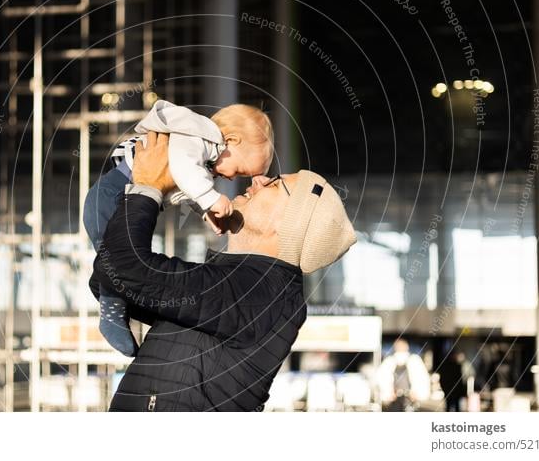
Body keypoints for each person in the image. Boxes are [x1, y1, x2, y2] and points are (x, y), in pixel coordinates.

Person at [89, 132, 357, 411]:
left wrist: (147, 188)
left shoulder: (260, 294)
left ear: (291, 224)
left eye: (276, 184)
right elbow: (111, 278)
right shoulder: (242, 285)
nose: (258, 179)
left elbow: (122, 269)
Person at [83, 100, 274, 357]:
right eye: (238, 171)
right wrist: (211, 198)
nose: (231, 178)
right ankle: (111, 313)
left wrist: (206, 211)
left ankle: (115, 309)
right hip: (110, 197)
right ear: (231, 140)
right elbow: (185, 171)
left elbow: (184, 189)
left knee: (119, 262)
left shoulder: (205, 156)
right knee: (117, 262)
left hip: (120, 197)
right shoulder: (198, 135)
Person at [377, 339, 430, 411]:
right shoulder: (389, 361)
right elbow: (382, 378)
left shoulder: (414, 360)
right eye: (399, 346)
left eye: (402, 346)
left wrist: (417, 393)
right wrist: (388, 393)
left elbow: (422, 379)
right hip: (393, 400)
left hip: (410, 399)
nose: (400, 348)